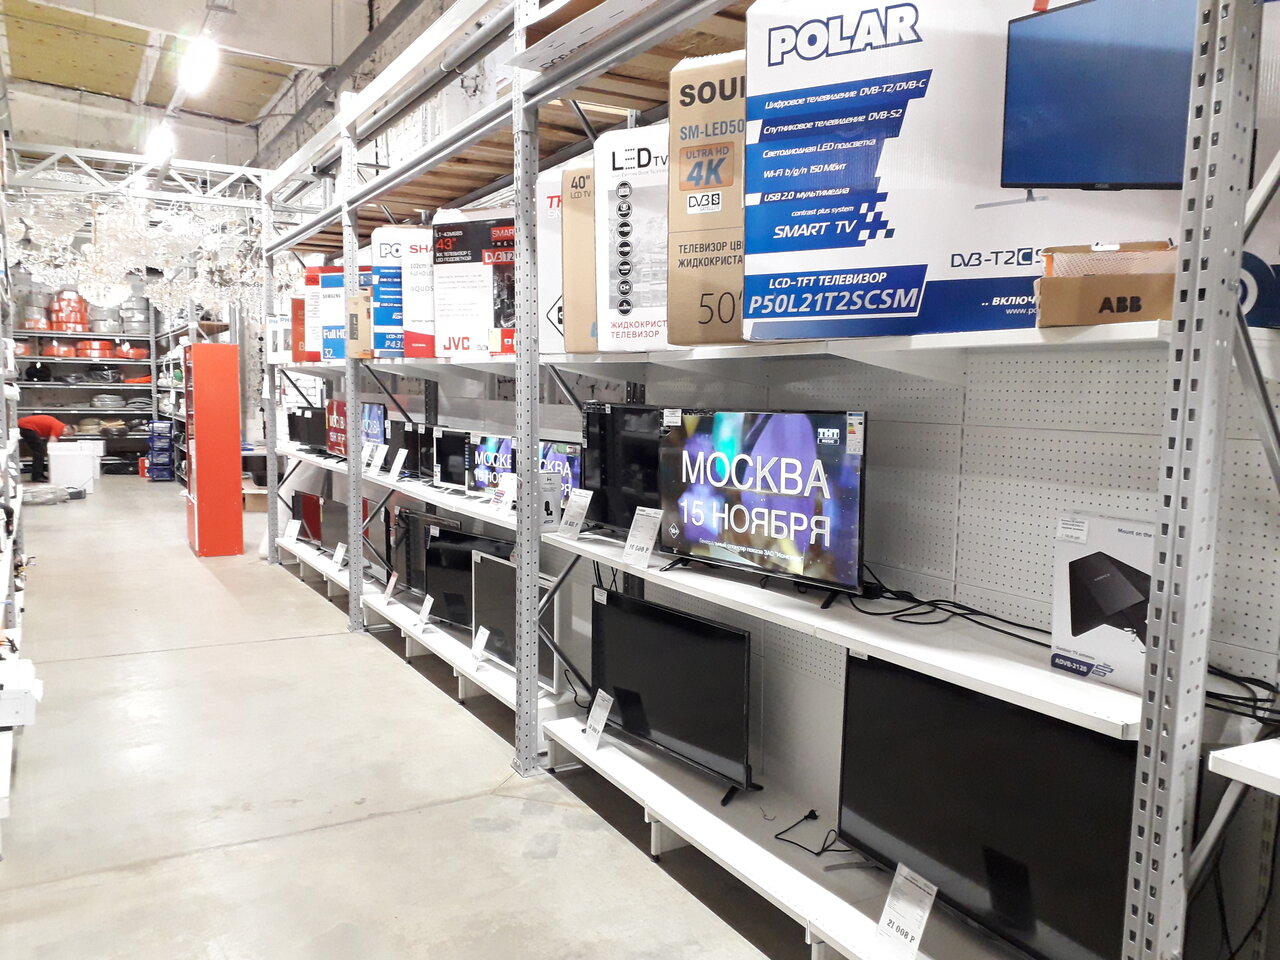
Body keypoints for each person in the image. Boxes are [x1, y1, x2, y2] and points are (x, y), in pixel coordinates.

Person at [18, 415, 76, 483]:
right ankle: (37, 476)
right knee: (39, 451)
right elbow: (51, 446)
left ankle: (39, 474)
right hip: (26, 426)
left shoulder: (58, 425)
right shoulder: (59, 428)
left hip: (25, 425)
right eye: (68, 435)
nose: (66, 436)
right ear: (66, 429)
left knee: (39, 451)